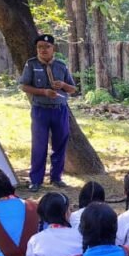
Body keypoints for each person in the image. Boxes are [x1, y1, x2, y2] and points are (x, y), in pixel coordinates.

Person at [18, 34, 76, 192]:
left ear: (53, 48)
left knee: (60, 144)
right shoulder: (31, 65)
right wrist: (43, 92)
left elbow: (73, 89)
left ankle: (56, 177)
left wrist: (63, 84)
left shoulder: (61, 65)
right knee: (39, 145)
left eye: (47, 47)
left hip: (60, 110)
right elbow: (24, 86)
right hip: (40, 110)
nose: (43, 50)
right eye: (40, 47)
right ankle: (36, 180)